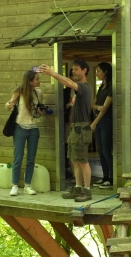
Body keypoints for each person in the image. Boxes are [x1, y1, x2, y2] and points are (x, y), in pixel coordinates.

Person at [39, 60, 93, 202]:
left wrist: (52, 73)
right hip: (76, 128)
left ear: (84, 71)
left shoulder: (84, 87)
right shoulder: (78, 90)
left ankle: (87, 190)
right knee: (75, 160)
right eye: (73, 69)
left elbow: (69, 83)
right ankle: (77, 187)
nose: (74, 72)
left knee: (83, 161)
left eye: (76, 69)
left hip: (81, 128)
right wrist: (72, 133)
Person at [4, 70, 46, 197]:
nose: (39, 81)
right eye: (37, 79)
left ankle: (28, 185)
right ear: (30, 81)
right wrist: (8, 105)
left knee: (31, 159)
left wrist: (41, 112)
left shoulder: (39, 93)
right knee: (18, 158)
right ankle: (15, 185)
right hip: (20, 127)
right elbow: (8, 104)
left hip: (33, 128)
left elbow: (38, 112)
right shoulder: (19, 92)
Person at [91, 62, 113, 188]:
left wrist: (94, 123)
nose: (97, 73)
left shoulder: (111, 87)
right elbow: (93, 104)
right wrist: (97, 107)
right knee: (100, 151)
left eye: (98, 71)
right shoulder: (101, 87)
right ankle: (105, 176)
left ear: (105, 72)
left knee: (105, 150)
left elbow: (105, 109)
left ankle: (111, 178)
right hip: (99, 121)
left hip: (105, 121)